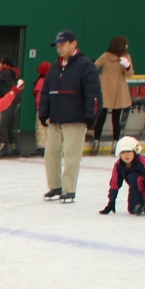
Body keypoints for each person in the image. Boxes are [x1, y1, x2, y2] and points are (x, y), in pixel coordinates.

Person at [38, 29, 103, 204]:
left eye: (62, 45)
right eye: (57, 46)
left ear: (74, 44)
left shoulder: (86, 65)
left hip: (75, 118)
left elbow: (93, 92)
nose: (59, 48)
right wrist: (43, 112)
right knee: (51, 153)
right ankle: (55, 186)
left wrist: (91, 115)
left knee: (71, 155)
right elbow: (46, 91)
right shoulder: (55, 67)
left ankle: (69, 189)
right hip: (55, 119)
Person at [100, 136, 145, 217]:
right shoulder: (118, 165)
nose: (126, 155)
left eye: (129, 151)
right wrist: (111, 202)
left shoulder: (144, 163)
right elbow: (114, 184)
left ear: (135, 151)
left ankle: (143, 202)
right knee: (132, 210)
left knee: (133, 177)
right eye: (123, 152)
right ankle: (139, 201)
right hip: (135, 180)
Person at [93, 36, 134, 153]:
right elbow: (94, 66)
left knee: (115, 120)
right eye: (125, 44)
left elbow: (130, 74)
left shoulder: (125, 57)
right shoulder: (106, 56)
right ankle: (97, 141)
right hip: (106, 90)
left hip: (117, 91)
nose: (127, 46)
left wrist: (127, 66)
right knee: (102, 118)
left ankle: (115, 143)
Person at [0, 58, 21, 157]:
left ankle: (3, 147)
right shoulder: (6, 73)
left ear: (4, 64)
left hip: (12, 101)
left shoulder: (6, 73)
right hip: (8, 101)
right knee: (8, 125)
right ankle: (16, 146)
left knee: (3, 124)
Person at [32, 60, 51, 156]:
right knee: (49, 128)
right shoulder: (54, 79)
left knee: (41, 127)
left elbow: (40, 95)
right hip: (52, 108)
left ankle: (42, 146)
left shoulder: (41, 81)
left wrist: (39, 106)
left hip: (42, 108)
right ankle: (49, 146)